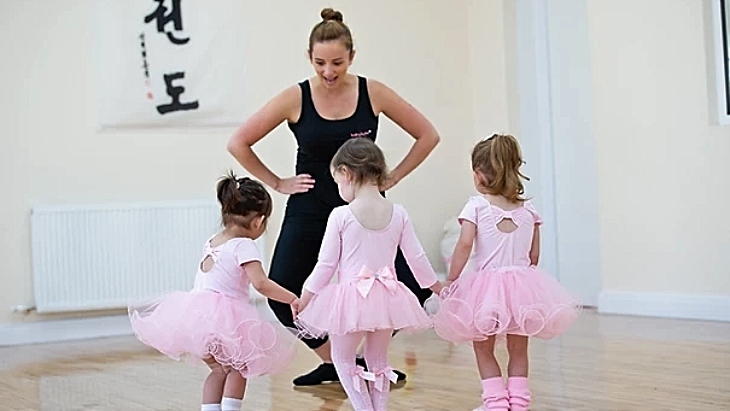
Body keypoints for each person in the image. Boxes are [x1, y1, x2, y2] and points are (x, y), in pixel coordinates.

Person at [226, 7, 440, 386]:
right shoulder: (296, 97)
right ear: (309, 57)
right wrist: (277, 182)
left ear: (352, 57)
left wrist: (392, 177)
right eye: (320, 62)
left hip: (366, 210)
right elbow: (238, 142)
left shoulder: (372, 92)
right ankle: (337, 363)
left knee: (406, 287)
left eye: (338, 62)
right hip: (310, 207)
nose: (329, 71)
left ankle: (363, 358)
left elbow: (428, 135)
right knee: (283, 289)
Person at [429, 134, 580, 411]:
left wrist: (452, 278)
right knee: (519, 348)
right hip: (523, 287)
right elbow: (534, 256)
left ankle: (496, 403)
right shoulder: (529, 210)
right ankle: (519, 404)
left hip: (487, 291)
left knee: (483, 347)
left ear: (478, 175)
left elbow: (464, 245)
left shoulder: (476, 206)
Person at [294, 137, 445, 411]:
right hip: (388, 297)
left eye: (338, 182)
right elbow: (416, 258)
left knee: (342, 358)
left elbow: (326, 265)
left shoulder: (341, 215)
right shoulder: (398, 213)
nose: (339, 188)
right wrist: (435, 286)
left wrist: (305, 298)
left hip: (350, 299)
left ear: (347, 173)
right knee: (378, 360)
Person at [128, 173, 301, 411]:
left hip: (197, 318)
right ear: (258, 222)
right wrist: (292, 297)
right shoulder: (244, 245)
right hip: (225, 320)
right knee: (240, 367)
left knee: (219, 370)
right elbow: (260, 283)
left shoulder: (214, 240)